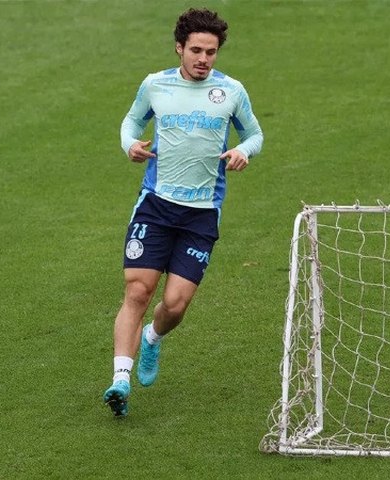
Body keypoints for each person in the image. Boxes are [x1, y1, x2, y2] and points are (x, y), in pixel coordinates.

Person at [103, 8, 263, 417]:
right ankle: (121, 378)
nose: (204, 59)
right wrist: (130, 145)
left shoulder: (232, 91)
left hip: (201, 213)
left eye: (211, 52)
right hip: (155, 205)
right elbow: (131, 121)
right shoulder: (156, 85)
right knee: (138, 290)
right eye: (196, 50)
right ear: (180, 48)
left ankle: (153, 339)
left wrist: (243, 150)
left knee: (175, 304)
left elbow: (255, 133)